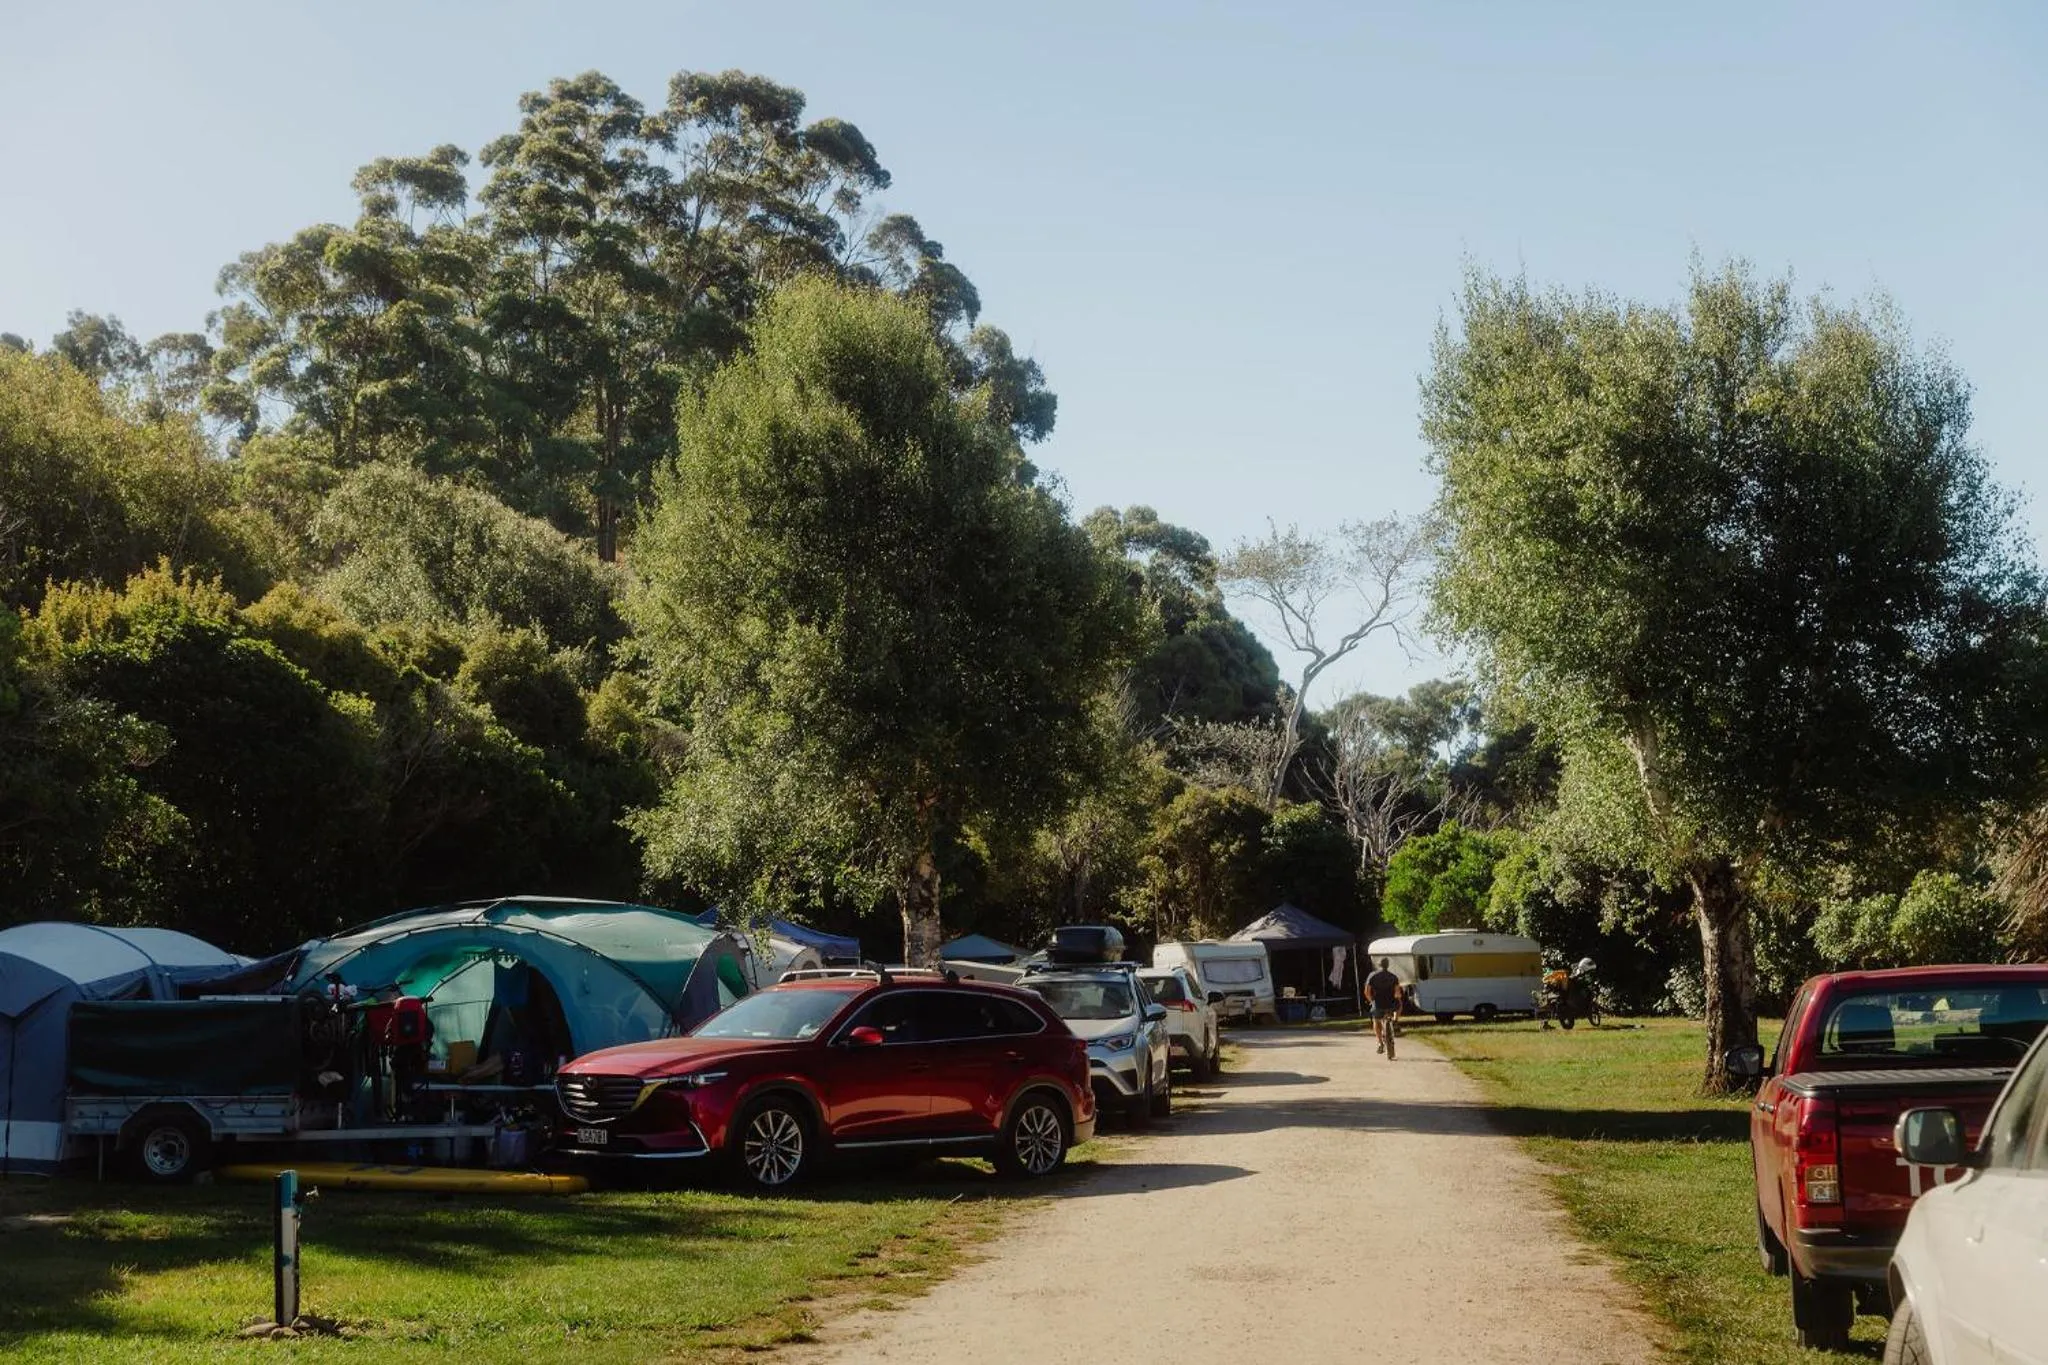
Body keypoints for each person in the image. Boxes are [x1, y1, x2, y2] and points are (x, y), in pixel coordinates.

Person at [1365, 957, 1402, 1060]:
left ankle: (1380, 1043)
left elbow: (1367, 991)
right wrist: (1396, 999)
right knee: (1399, 1003)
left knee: (1376, 1020)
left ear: (1379, 965)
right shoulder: (1393, 976)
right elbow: (1397, 992)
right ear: (1388, 965)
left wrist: (1371, 1001)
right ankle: (1395, 1020)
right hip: (1391, 1003)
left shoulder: (1372, 976)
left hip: (1378, 1003)